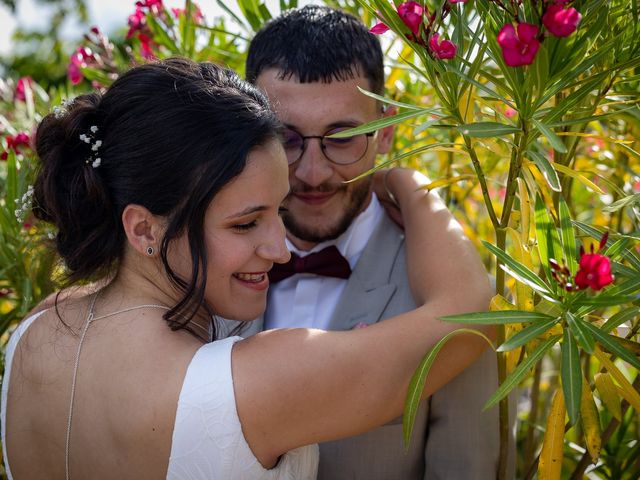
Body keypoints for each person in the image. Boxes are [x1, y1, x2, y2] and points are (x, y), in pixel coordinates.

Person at [1, 57, 492, 480]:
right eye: (244, 224)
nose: (280, 251)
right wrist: (410, 184)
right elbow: (467, 315)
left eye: (278, 212)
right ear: (144, 229)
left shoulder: (33, 335)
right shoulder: (256, 381)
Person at [245, 5, 504, 479]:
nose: (312, 172)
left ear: (384, 131)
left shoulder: (450, 294)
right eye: (286, 138)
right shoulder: (204, 266)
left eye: (344, 137)